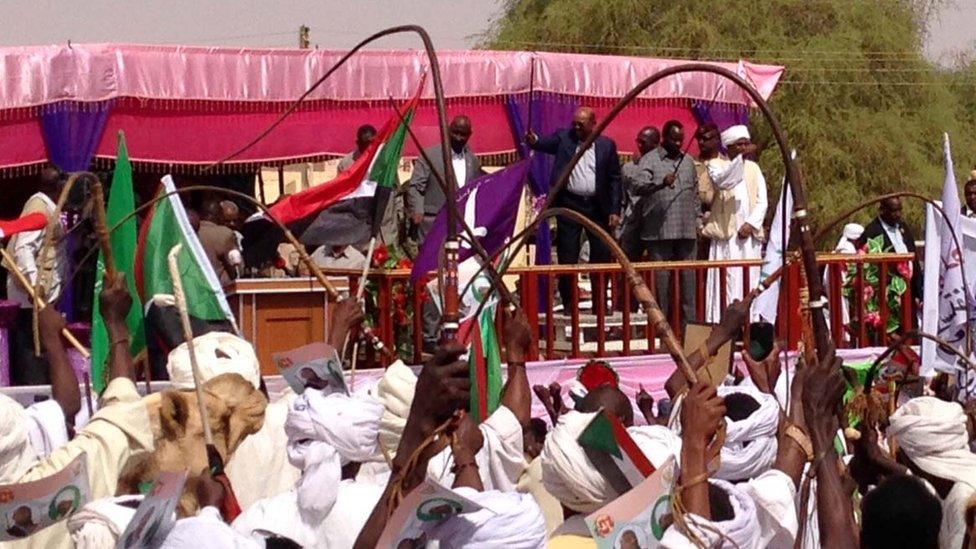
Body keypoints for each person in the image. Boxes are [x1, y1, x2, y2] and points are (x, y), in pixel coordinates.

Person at [526, 107, 622, 312]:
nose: (576, 127)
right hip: (570, 202)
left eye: (581, 124)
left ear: (593, 123)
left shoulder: (606, 146)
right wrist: (534, 140)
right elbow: (544, 143)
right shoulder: (565, 139)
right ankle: (570, 302)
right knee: (567, 254)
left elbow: (615, 179)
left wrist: (614, 210)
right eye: (575, 123)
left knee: (601, 254)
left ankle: (599, 303)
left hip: (598, 207)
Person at [631, 120, 699, 327]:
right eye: (673, 139)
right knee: (661, 287)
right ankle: (661, 331)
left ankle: (689, 330)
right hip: (659, 232)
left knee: (689, 285)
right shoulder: (650, 160)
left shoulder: (688, 161)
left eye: (681, 140)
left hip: (687, 231)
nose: (678, 144)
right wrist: (661, 183)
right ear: (663, 138)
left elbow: (695, 194)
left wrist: (698, 220)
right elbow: (637, 186)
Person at [3, 166, 65, 385]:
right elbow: (23, 247)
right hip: (31, 299)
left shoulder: (50, 207)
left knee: (42, 352)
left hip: (42, 299)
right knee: (33, 355)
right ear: (58, 187)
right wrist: (33, 283)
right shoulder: (39, 208)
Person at [888, 396, 976, 548]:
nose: (900, 457)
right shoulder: (947, 490)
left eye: (902, 453)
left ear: (915, 460)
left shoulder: (963, 497)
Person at [703, 125, 768, 323]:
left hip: (748, 237)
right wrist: (740, 158)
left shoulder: (754, 169)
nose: (743, 148)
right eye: (739, 145)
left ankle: (750, 323)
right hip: (726, 237)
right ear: (728, 147)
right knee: (727, 281)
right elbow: (725, 182)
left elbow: (762, 200)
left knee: (750, 279)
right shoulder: (716, 165)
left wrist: (751, 224)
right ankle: (722, 324)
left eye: (746, 144)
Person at [407, 115, 482, 245]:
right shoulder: (429, 155)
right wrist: (417, 210)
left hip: (461, 224)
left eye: (463, 134)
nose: (458, 137)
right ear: (448, 130)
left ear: (470, 135)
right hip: (433, 222)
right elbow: (416, 186)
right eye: (455, 132)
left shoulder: (473, 160)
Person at [858, 196, 923, 299]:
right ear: (883, 210)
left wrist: (919, 292)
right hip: (888, 293)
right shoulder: (872, 232)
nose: (898, 215)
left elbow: (914, 258)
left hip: (909, 290)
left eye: (900, 210)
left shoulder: (903, 227)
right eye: (894, 211)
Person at [619, 126, 660, 260]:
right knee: (628, 262)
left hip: (656, 224)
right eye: (639, 141)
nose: (640, 145)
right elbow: (623, 198)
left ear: (656, 144)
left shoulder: (664, 167)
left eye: (644, 142)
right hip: (633, 223)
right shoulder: (628, 168)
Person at [694, 123, 724, 260]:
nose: (701, 142)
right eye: (698, 138)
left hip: (719, 223)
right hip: (697, 225)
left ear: (716, 139)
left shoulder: (727, 164)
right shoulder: (690, 164)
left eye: (705, 138)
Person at [198, 199, 242, 287]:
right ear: (219, 215)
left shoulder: (186, 232)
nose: (232, 224)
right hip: (221, 290)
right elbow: (236, 269)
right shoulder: (225, 234)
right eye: (227, 220)